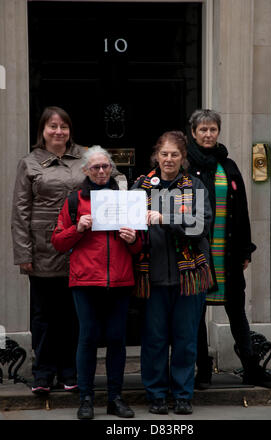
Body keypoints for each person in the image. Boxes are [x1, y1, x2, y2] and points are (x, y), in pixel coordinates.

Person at [187, 108, 271, 389]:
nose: (208, 134)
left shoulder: (229, 166)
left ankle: (250, 367)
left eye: (213, 129)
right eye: (202, 129)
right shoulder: (186, 167)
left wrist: (246, 250)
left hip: (228, 252)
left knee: (236, 310)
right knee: (197, 313)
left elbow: (242, 211)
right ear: (193, 132)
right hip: (199, 252)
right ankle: (203, 371)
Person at [51, 146, 142, 420]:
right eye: (95, 168)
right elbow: (57, 242)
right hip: (85, 280)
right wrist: (76, 229)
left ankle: (115, 398)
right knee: (88, 339)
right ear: (86, 171)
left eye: (105, 167)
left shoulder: (127, 200)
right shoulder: (74, 201)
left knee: (117, 340)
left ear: (111, 169)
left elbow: (141, 246)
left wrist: (133, 240)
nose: (101, 172)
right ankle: (86, 398)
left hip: (120, 280)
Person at [131, 131, 212, 415]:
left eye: (174, 155)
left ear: (183, 158)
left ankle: (182, 394)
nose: (168, 159)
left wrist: (166, 219)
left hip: (188, 277)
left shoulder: (195, 186)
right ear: (156, 155)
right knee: (153, 339)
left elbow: (200, 226)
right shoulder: (140, 186)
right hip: (151, 275)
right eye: (164, 154)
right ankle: (155, 394)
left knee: (185, 338)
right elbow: (129, 226)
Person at [11, 106, 87, 394]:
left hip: (79, 248)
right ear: (42, 131)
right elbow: (20, 212)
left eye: (63, 126)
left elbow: (112, 182)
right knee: (43, 316)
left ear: (70, 130)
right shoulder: (29, 164)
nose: (58, 131)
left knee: (72, 314)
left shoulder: (86, 158)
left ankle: (70, 370)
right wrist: (23, 254)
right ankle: (43, 372)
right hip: (42, 249)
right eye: (52, 126)